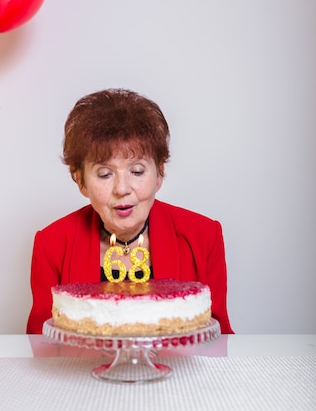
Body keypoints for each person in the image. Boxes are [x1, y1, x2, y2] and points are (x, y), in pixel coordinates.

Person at [27, 88, 233, 334]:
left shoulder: (203, 236)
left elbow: (217, 336)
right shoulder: (51, 244)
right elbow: (40, 341)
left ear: (159, 174)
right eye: (105, 174)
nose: (122, 189)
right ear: (80, 180)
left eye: (137, 171)